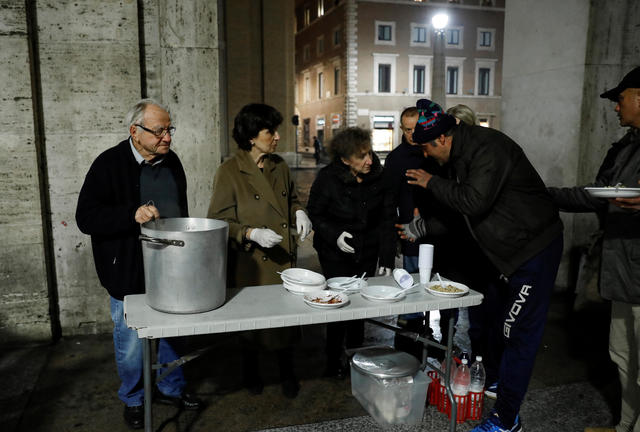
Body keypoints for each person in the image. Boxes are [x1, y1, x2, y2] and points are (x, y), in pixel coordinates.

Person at [398, 98, 563, 432]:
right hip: (509, 254)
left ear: (442, 139)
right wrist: (421, 226)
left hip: (532, 251)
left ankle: (506, 420)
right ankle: (505, 389)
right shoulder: (461, 156)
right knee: (502, 327)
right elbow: (462, 218)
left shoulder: (487, 148)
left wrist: (430, 182)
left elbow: (473, 202)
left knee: (518, 333)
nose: (426, 156)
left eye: (427, 148)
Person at [75, 99, 203, 430]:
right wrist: (130, 215)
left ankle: (170, 387)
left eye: (169, 129)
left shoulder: (172, 162)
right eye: (159, 130)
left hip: (172, 267)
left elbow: (181, 207)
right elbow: (85, 218)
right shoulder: (108, 164)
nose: (167, 137)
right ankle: (133, 398)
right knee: (132, 345)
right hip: (128, 270)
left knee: (175, 335)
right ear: (135, 131)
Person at [548, 66, 640, 432]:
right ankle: (626, 426)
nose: (615, 108)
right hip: (621, 269)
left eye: (620, 99)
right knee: (623, 355)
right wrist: (547, 195)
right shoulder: (626, 146)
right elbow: (598, 194)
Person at [207, 103, 312, 399]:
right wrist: (249, 233)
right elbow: (217, 221)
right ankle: (251, 372)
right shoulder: (230, 171)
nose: (277, 137)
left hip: (282, 258)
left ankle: (287, 372)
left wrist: (300, 213)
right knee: (253, 324)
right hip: (252, 262)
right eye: (270, 131)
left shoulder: (279, 165)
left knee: (286, 321)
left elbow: (291, 200)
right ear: (252, 136)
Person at [307, 127, 395, 378]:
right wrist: (334, 234)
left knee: (359, 305)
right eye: (361, 157)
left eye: (369, 153)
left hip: (366, 250)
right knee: (338, 304)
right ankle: (332, 358)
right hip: (334, 253)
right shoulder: (327, 178)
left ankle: (357, 357)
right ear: (345, 159)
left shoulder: (380, 176)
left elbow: (387, 218)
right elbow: (315, 212)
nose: (369, 160)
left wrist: (387, 256)